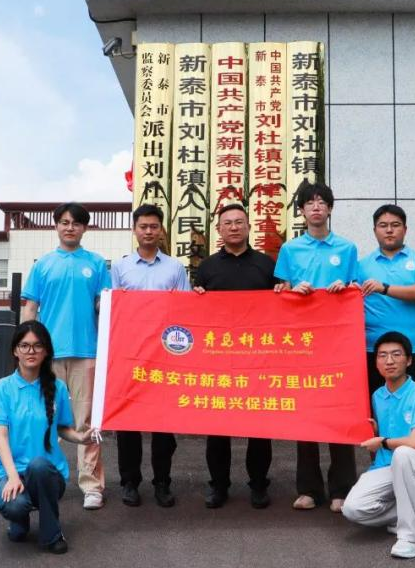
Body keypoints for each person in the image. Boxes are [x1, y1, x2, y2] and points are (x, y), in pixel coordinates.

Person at [273, 182, 359, 513]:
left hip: (338, 344)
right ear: (302, 211)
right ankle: (308, 489)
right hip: (302, 344)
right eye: (310, 203)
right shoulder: (290, 249)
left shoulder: (347, 248)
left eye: (322, 202)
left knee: (340, 413)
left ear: (330, 209)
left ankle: (342, 489)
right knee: (305, 414)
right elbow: (281, 290)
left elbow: (356, 288)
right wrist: (293, 289)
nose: (316, 207)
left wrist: (345, 287)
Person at [21, 202, 111, 510]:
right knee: (44, 418)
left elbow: (104, 304)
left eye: (76, 223)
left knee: (88, 421)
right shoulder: (43, 265)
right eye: (64, 222)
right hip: (48, 354)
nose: (70, 227)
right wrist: (27, 347)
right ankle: (42, 480)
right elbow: (30, 309)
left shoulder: (96, 264)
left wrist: (108, 306)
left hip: (87, 352)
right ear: (56, 226)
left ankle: (92, 486)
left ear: (84, 228)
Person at [0, 320, 94, 554]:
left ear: (46, 351)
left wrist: (82, 438)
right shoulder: (1, 388)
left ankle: (51, 536)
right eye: (24, 346)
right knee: (16, 507)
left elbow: (62, 428)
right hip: (11, 472)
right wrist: (13, 477)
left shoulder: (58, 388)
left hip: (47, 474)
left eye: (37, 345)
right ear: (15, 351)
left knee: (39, 465)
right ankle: (19, 519)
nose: (30, 351)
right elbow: (1, 437)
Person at [193, 203, 277, 509]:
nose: (233, 227)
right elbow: (195, 313)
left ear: (248, 227)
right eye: (227, 223)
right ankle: (219, 486)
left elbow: (281, 309)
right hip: (219, 359)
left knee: (259, 427)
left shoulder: (267, 265)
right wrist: (197, 297)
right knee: (218, 428)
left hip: (257, 358)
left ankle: (259, 484)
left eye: (239, 222)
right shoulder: (207, 267)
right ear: (219, 229)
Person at [111, 204, 191, 508]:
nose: (148, 231)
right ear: (134, 230)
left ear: (161, 230)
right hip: (130, 356)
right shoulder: (120, 268)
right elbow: (113, 310)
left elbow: (185, 311)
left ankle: (162, 482)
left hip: (165, 357)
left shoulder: (175, 268)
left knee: (163, 425)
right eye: (143, 226)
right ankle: (130, 482)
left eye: (154, 226)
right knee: (127, 424)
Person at [341, 331, 415, 559]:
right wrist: (376, 430)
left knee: (404, 454)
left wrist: (382, 441)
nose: (389, 361)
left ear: (409, 360)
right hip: (386, 467)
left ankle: (412, 536)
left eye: (396, 355)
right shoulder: (377, 396)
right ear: (376, 362)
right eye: (382, 355)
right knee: (352, 509)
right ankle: (407, 510)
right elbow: (388, 429)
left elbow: (414, 442)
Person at [358, 204, 415, 396]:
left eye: (395, 225)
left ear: (405, 229)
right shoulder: (361, 265)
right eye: (383, 225)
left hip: (414, 349)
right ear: (374, 230)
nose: (389, 230)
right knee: (376, 407)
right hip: (374, 350)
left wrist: (385, 288)